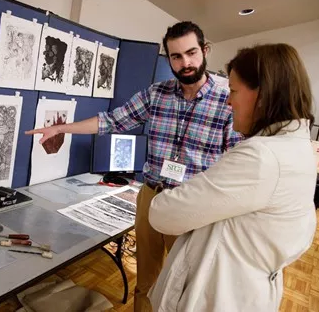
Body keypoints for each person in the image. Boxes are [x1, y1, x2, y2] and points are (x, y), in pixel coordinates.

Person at [25, 21, 242, 311]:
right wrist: (61, 128)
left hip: (193, 205)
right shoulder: (157, 93)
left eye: (191, 53)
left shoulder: (227, 102)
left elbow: (235, 164)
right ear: (169, 59)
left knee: (185, 286)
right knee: (147, 279)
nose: (185, 63)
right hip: (152, 197)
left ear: (205, 50)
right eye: (176, 56)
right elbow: (111, 121)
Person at [147, 43, 318, 311]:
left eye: (234, 92)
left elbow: (163, 212)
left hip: (222, 292)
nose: (228, 101)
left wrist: (197, 187)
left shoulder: (261, 157)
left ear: (262, 95)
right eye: (175, 56)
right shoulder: (297, 147)